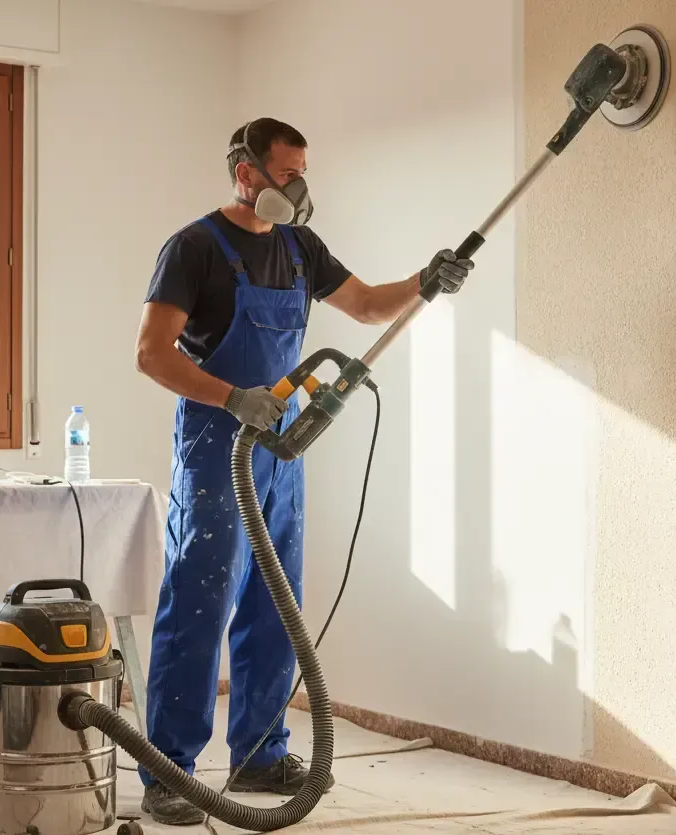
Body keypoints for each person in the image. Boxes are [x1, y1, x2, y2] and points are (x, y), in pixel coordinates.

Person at [134, 117, 474, 826]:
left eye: (302, 171)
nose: (297, 185)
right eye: (286, 172)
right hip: (215, 446)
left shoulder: (299, 247)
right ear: (246, 171)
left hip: (282, 447)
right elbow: (153, 353)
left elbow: (370, 305)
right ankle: (169, 771)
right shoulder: (194, 247)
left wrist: (427, 279)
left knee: (273, 600)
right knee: (200, 604)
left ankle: (258, 751)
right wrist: (231, 396)